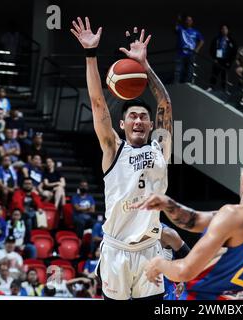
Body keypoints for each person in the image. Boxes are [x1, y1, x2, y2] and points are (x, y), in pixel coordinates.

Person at [70, 17, 173, 300]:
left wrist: (145, 65)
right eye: (132, 117)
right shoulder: (113, 149)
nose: (138, 120)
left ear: (152, 125)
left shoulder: (160, 148)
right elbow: (97, 103)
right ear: (122, 124)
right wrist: (91, 54)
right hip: (117, 250)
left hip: (150, 249)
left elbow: (165, 104)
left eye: (143, 117)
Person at [140, 143, 243, 300]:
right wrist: (168, 204)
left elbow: (184, 271)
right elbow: (196, 220)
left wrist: (159, 263)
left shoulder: (234, 216)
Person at [159, 224, 190, 300]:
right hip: (137, 285)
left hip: (165, 288)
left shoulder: (166, 233)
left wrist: (183, 280)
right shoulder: (128, 230)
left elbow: (191, 258)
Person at [10, 177, 45, 242]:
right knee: (28, 219)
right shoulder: (18, 193)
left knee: (39, 214)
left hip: (32, 215)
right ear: (22, 185)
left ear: (32, 185)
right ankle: (27, 240)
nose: (27, 185)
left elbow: (40, 204)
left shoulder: (34, 194)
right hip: (21, 214)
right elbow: (17, 205)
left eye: (29, 184)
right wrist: (25, 212)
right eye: (26, 184)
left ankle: (40, 232)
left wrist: (40, 208)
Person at [174, 14, 204, 83]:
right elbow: (175, 28)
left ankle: (188, 83)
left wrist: (197, 49)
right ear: (185, 21)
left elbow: (202, 40)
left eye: (190, 20)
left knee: (190, 70)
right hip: (180, 54)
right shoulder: (181, 29)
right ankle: (176, 84)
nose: (188, 21)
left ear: (192, 22)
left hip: (191, 54)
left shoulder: (195, 32)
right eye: (187, 20)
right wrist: (178, 20)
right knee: (178, 70)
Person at [208, 24, 237, 92]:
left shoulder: (231, 40)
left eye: (225, 29)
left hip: (226, 61)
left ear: (228, 30)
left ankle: (224, 89)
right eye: (222, 29)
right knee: (214, 74)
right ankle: (211, 87)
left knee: (224, 75)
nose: (224, 30)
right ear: (221, 30)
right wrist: (214, 58)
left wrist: (229, 62)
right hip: (217, 60)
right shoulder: (217, 39)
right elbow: (211, 49)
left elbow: (234, 52)